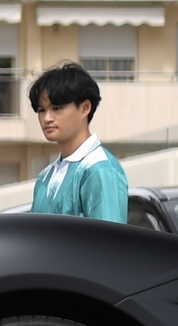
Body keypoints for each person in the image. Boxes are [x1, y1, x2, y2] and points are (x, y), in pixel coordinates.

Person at [27, 63, 126, 223]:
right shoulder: (45, 176)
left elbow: (110, 243)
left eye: (57, 108)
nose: (47, 118)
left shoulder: (100, 168)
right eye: (41, 110)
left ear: (85, 108)